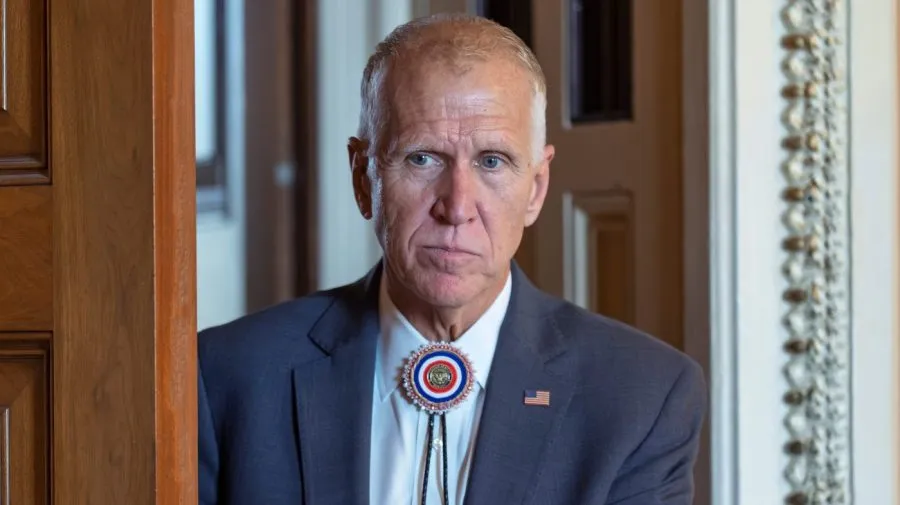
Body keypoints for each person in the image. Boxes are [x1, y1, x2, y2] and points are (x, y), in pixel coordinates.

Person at [198, 13, 707, 505]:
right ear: (363, 178)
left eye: (492, 161)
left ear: (536, 188)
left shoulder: (641, 396)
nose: (457, 207)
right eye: (421, 158)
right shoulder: (228, 376)